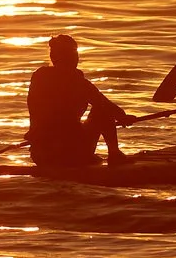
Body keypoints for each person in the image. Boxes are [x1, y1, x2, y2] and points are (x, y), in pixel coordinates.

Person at [26, 33, 133, 168]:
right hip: (67, 153)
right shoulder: (76, 80)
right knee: (102, 111)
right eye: (72, 54)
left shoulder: (38, 77)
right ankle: (114, 154)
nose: (76, 58)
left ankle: (84, 156)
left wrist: (120, 115)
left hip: (40, 155)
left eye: (75, 53)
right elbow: (103, 103)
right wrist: (122, 116)